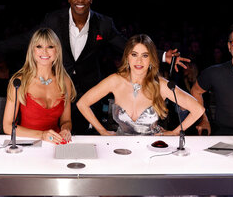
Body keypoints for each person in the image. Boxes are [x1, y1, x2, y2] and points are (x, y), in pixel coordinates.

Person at [0, 0, 189, 134]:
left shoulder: (104, 23)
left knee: (76, 134)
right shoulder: (53, 20)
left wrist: (162, 56)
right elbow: (27, 38)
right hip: (59, 84)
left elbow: (125, 44)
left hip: (88, 89)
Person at [76, 34, 204, 136]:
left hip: (151, 150)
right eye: (134, 54)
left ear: (151, 59)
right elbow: (82, 103)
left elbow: (198, 109)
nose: (139, 61)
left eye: (145, 56)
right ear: (127, 57)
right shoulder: (115, 81)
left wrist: (175, 132)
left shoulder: (161, 85)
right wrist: (102, 131)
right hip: (120, 149)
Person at [2, 28, 76, 144]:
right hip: (27, 144)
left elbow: (66, 120)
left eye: (50, 47)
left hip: (55, 143)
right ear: (32, 50)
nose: (45, 52)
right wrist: (42, 135)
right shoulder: (19, 81)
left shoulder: (65, 81)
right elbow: (7, 127)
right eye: (39, 46)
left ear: (57, 50)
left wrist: (66, 129)